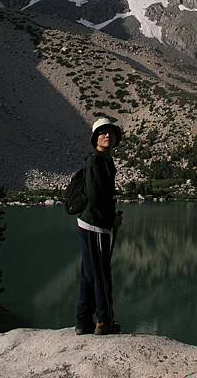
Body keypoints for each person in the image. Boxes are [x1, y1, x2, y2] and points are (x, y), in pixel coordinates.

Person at [75, 117, 123, 336]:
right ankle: (104, 321)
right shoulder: (96, 161)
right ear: (95, 138)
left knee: (88, 274)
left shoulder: (105, 161)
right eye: (103, 132)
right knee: (102, 274)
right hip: (95, 225)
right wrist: (110, 218)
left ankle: (83, 322)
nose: (107, 135)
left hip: (90, 223)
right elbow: (95, 197)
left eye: (111, 133)